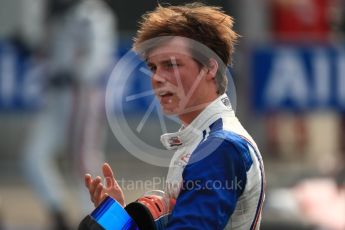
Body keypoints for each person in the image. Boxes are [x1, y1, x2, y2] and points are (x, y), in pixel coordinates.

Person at [84, 3, 265, 229]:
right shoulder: (204, 139)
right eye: (153, 67)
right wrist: (122, 221)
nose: (157, 78)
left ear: (210, 68)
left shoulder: (219, 146)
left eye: (171, 65)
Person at [21, 0, 117, 229]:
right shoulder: (56, 13)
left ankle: (107, 221)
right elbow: (39, 43)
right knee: (33, 156)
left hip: (80, 94)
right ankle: (58, 211)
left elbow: (96, 59)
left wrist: (76, 71)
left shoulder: (92, 13)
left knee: (83, 159)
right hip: (54, 97)